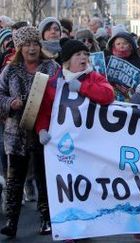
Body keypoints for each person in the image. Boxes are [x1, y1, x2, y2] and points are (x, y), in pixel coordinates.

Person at [0, 26, 60, 238]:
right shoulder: (10, 70)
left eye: (35, 44)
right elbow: (0, 95)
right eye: (26, 45)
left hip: (44, 132)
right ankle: (11, 222)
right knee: (15, 180)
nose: (32, 48)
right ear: (19, 47)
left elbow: (61, 94)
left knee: (44, 178)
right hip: (16, 133)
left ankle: (46, 219)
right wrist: (10, 102)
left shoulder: (51, 67)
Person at [35, 39, 114, 154]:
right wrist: (41, 130)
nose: (83, 57)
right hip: (63, 141)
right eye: (78, 54)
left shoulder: (94, 77)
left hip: (89, 140)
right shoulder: (54, 83)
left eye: (86, 54)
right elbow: (45, 111)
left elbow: (108, 95)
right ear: (68, 61)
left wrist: (82, 87)